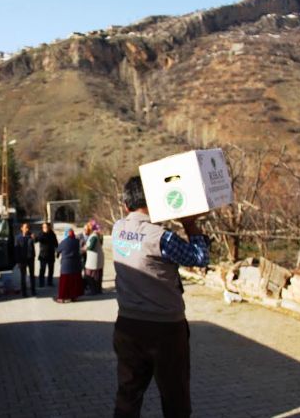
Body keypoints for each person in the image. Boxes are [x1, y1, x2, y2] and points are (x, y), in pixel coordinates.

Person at [112, 176, 210, 418]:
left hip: (127, 326)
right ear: (155, 203)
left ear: (126, 206)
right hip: (164, 329)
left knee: (128, 395)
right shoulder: (161, 237)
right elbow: (200, 258)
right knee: (175, 397)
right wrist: (189, 224)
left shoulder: (118, 229)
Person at [55, 228, 83, 303]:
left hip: (66, 265)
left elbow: (58, 250)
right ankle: (74, 296)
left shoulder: (64, 242)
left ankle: (62, 298)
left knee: (65, 282)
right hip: (76, 264)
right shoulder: (77, 241)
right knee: (74, 281)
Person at [82, 220, 104, 295]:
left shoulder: (94, 236)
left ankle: (93, 291)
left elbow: (91, 247)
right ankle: (98, 290)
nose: (85, 230)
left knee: (90, 275)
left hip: (93, 259)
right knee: (97, 276)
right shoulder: (97, 235)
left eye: (87, 229)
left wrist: (84, 248)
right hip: (97, 258)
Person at [15, 222, 36, 297]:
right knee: (23, 276)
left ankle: (33, 291)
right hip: (22, 259)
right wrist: (17, 261)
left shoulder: (31, 235)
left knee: (32, 275)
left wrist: (34, 238)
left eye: (28, 227)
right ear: (22, 228)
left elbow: (35, 241)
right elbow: (16, 250)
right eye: (25, 227)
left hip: (30, 258)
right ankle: (24, 293)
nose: (27, 229)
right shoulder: (18, 237)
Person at [35, 222, 58, 287]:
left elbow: (56, 244)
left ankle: (50, 282)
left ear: (49, 227)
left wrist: (57, 252)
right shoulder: (41, 233)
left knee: (51, 270)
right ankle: (41, 283)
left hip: (51, 254)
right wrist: (43, 233)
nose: (45, 228)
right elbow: (36, 240)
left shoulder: (52, 234)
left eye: (46, 227)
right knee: (42, 270)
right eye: (44, 227)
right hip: (43, 255)